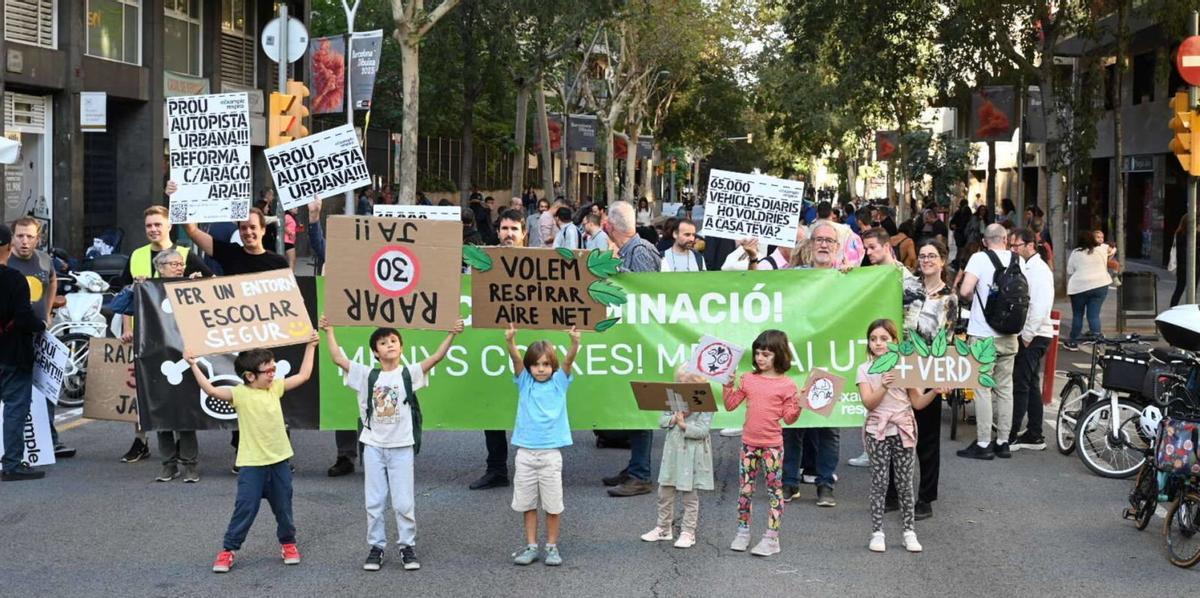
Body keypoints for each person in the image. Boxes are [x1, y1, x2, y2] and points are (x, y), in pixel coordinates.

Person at [321, 315, 465, 571]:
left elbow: (436, 358)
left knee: (404, 501)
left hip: (402, 447)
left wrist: (452, 334)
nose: (389, 344)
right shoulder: (366, 375)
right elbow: (338, 359)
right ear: (375, 352)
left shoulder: (409, 373)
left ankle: (406, 546)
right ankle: (376, 547)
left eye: (394, 340)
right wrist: (329, 331)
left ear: (401, 347)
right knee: (374, 500)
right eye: (383, 342)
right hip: (373, 446)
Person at [193, 331, 319, 573]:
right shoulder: (239, 394)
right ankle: (228, 550)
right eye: (268, 370)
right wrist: (193, 364)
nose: (273, 373)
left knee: (283, 507)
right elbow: (211, 390)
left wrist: (311, 346)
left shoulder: (275, 388)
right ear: (250, 376)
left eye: (274, 368)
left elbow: (303, 375)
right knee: (245, 507)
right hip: (251, 464)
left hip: (280, 461)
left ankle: (288, 543)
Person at [113, 205, 212, 467]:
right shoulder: (136, 256)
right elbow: (126, 295)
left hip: (180, 338)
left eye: (158, 224)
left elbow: (212, 285)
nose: (153, 229)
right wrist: (127, 328)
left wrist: (196, 280)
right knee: (145, 388)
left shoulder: (186, 255)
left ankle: (183, 445)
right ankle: (141, 440)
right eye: (149, 226)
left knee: (179, 390)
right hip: (147, 335)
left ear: (169, 226)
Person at [884, 240, 957, 520]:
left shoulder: (949, 298)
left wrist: (945, 376)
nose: (926, 260)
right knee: (895, 430)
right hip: (901, 365)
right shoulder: (906, 286)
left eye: (932, 256)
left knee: (926, 437)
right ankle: (892, 492)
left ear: (942, 261)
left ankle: (925, 497)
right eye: (923, 256)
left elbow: (947, 338)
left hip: (928, 368)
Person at [858, 319, 938, 553]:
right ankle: (877, 532)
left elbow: (917, 402)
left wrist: (934, 391)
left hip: (903, 429)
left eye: (884, 339)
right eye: (873, 339)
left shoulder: (906, 367)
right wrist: (883, 385)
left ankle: (908, 531)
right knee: (879, 483)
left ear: (895, 341)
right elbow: (869, 402)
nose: (878, 343)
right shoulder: (864, 369)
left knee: (905, 484)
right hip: (877, 431)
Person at [505, 324, 581, 567]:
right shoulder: (524, 382)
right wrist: (510, 342)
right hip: (525, 453)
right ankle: (531, 546)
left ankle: (552, 547)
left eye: (546, 364)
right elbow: (516, 361)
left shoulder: (560, 382)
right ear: (529, 367)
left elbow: (568, 362)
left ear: (553, 367)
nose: (541, 369)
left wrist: (574, 344)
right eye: (536, 365)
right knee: (527, 504)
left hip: (550, 455)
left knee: (552, 504)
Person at [722, 330, 804, 557]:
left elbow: (789, 418)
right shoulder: (748, 378)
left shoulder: (787, 385)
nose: (760, 358)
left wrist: (800, 405)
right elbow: (730, 405)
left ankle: (771, 538)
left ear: (779, 355)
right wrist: (728, 384)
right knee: (745, 490)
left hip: (772, 447)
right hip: (749, 443)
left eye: (766, 354)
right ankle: (742, 531)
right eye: (758, 353)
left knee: (774, 491)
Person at [603, 201, 663, 497]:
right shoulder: (632, 250)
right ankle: (634, 466)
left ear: (610, 227)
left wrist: (613, 265)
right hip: (630, 341)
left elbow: (643, 294)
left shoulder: (639, 252)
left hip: (643, 342)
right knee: (631, 405)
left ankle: (641, 474)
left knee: (641, 407)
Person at [780, 222, 842, 507]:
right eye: (819, 239)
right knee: (793, 424)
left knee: (828, 425)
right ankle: (789, 483)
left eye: (830, 241)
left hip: (831, 359)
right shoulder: (793, 278)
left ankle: (825, 485)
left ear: (837, 247)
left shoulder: (848, 279)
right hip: (797, 360)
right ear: (811, 244)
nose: (824, 245)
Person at [470, 209, 530, 490]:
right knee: (492, 405)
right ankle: (496, 468)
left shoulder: (538, 263)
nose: (508, 233)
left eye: (514, 229)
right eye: (504, 228)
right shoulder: (484, 262)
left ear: (523, 233)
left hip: (529, 348)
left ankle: (534, 469)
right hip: (493, 346)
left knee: (531, 407)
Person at [956, 223, 1021, 459]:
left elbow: (965, 291)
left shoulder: (979, 258)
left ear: (985, 241)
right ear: (1005, 239)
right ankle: (1003, 441)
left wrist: (978, 301)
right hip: (1010, 334)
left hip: (984, 334)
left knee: (982, 389)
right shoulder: (1018, 260)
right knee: (1005, 388)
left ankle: (984, 443)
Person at [7, 217, 71, 459]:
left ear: (38, 238)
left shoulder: (44, 260)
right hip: (12, 338)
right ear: (12, 238)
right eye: (20, 236)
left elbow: (52, 279)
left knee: (47, 386)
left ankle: (50, 441)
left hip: (40, 333)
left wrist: (47, 311)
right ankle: (12, 445)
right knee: (14, 391)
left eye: (30, 236)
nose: (25, 241)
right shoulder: (5, 261)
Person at [139, 248, 205, 483]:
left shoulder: (191, 286)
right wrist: (139, 286)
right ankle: (168, 464)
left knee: (185, 413)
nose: (180, 267)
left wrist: (201, 285)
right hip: (157, 361)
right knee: (162, 413)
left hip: (185, 360)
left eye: (181, 263)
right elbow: (121, 305)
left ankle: (189, 465)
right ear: (160, 267)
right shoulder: (148, 289)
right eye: (174, 264)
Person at [640, 367, 714, 549]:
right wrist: (675, 418)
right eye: (680, 384)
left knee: (689, 495)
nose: (683, 389)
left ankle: (689, 531)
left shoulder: (705, 404)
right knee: (664, 491)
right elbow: (662, 421)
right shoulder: (673, 400)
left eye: (687, 385)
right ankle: (663, 528)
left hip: (692, 454)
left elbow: (703, 431)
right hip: (672, 452)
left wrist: (684, 424)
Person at [0, 223, 48, 481]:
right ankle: (12, 464)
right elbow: (23, 319)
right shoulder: (13, 278)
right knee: (15, 409)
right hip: (12, 354)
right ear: (8, 247)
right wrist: (40, 325)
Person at [1008, 229, 1054, 451]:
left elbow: (1040, 305)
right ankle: (1035, 434)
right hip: (1033, 333)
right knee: (1031, 383)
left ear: (1029, 245)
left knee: (1021, 383)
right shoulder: (1028, 267)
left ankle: (1011, 435)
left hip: (1035, 334)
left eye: (1015, 246)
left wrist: (1026, 335)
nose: (1012, 250)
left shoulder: (1039, 270)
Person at [1063, 230, 1113, 351]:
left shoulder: (1075, 253)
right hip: (1100, 284)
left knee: (1078, 315)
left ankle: (1073, 342)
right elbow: (1112, 249)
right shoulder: (1101, 249)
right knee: (1094, 315)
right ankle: (1097, 342)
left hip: (1079, 287)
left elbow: (1070, 270)